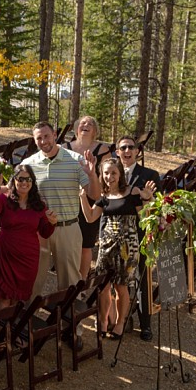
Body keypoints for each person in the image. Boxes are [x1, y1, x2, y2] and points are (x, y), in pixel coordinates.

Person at [21, 122, 100, 351]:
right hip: (41, 232)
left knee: (70, 282)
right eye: (39, 138)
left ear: (55, 135)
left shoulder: (75, 161)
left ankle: (72, 330)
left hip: (68, 228)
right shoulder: (29, 164)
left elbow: (95, 194)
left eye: (47, 136)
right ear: (34, 140)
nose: (43, 141)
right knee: (35, 279)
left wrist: (92, 174)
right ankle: (26, 325)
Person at [80, 159, 156, 340]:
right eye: (106, 173)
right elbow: (90, 217)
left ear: (120, 173)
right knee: (103, 286)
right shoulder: (103, 197)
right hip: (106, 247)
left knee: (121, 287)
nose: (109, 177)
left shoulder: (132, 193)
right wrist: (83, 197)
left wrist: (148, 199)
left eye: (113, 173)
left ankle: (121, 322)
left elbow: (145, 218)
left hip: (127, 247)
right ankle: (104, 321)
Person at [111, 134, 162, 341]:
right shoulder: (110, 173)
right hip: (116, 234)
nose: (127, 151)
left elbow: (158, 207)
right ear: (117, 151)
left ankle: (146, 325)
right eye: (123, 148)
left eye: (131, 147)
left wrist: (147, 200)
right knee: (118, 280)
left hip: (140, 235)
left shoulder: (150, 175)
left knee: (143, 280)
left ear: (137, 151)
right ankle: (120, 319)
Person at [0, 166, 57, 311]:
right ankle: (1, 331)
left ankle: (11, 330)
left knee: (17, 299)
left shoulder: (39, 206)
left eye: (28, 179)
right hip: (6, 254)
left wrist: (52, 223)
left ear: (33, 182)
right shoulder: (5, 200)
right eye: (20, 179)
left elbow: (45, 233)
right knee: (4, 297)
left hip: (28, 257)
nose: (24, 182)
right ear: (14, 181)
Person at [62, 115, 113, 285]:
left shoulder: (103, 150)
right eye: (82, 123)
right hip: (67, 200)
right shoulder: (64, 148)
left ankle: (81, 283)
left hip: (91, 200)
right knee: (68, 245)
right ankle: (67, 281)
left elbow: (107, 177)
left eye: (90, 124)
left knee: (85, 245)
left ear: (95, 131)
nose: (86, 125)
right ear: (77, 128)